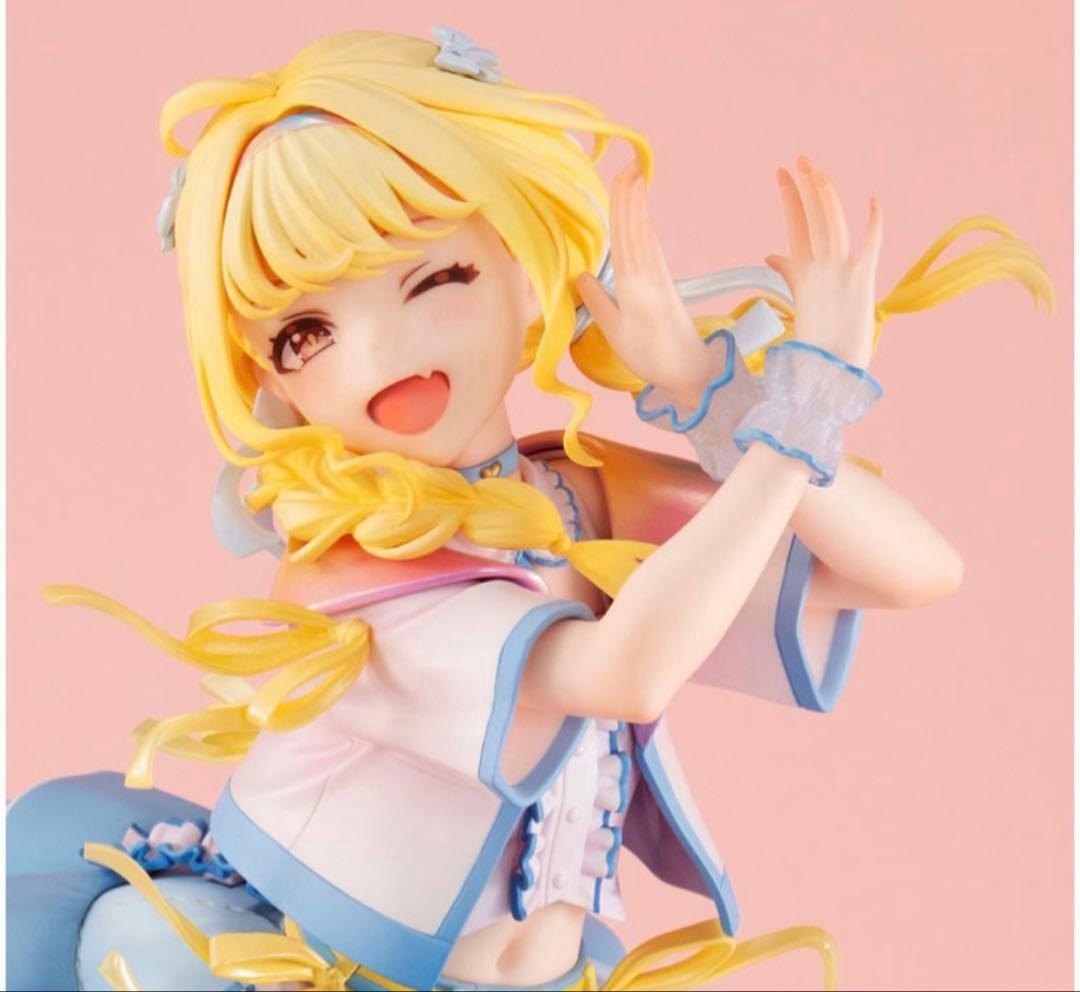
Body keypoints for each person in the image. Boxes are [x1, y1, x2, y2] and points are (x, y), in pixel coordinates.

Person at [7, 26, 1053, 992]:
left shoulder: (574, 489)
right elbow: (621, 672)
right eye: (306, 333)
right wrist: (799, 411)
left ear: (527, 271)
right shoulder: (357, 562)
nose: (381, 352)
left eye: (435, 277)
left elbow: (910, 571)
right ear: (277, 382)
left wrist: (710, 393)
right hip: (324, 967)